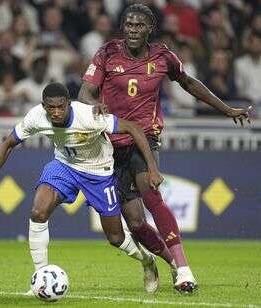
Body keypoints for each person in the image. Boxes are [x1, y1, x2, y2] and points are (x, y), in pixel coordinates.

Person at [79, 4, 252, 293]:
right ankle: (170, 262)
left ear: (150, 28)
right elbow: (85, 91)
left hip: (145, 139)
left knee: (151, 193)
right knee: (134, 223)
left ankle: (184, 270)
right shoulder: (107, 53)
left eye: (139, 25)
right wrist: (91, 106)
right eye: (129, 25)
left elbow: (189, 83)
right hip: (110, 143)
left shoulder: (163, 56)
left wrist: (225, 109)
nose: (133, 29)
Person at [0, 82, 179, 293]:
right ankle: (41, 280)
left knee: (116, 238)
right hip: (64, 166)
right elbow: (7, 144)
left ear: (69, 104)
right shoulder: (36, 117)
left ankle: (146, 260)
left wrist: (152, 168)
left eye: (61, 106)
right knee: (38, 212)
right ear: (43, 106)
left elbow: (133, 129)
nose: (56, 112)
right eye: (51, 107)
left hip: (99, 172)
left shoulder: (89, 116)